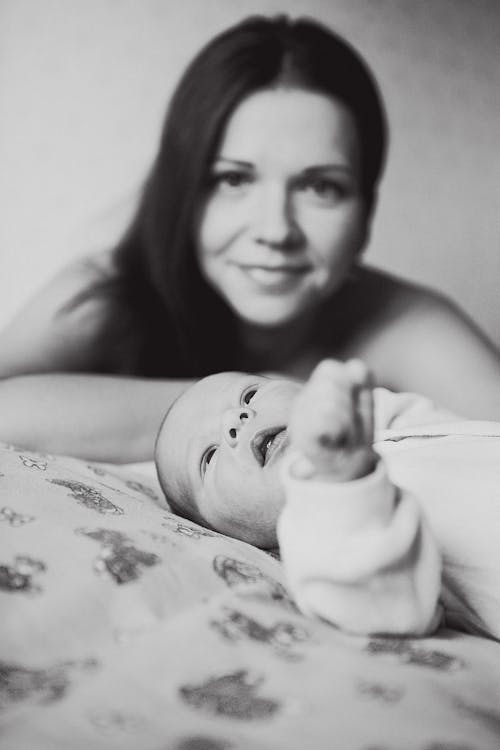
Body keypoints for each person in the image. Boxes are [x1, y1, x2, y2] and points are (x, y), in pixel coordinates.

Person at [1, 16, 499, 463]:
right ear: (181, 194)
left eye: (320, 187)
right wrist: (271, 401)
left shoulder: (403, 324)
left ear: (366, 213)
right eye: (233, 180)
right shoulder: (107, 295)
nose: (275, 230)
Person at [155, 359, 500, 640]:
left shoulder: (389, 426)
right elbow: (378, 603)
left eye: (249, 395)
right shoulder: (323, 548)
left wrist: (344, 398)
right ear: (231, 534)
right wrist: (338, 480)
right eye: (209, 457)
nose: (236, 419)